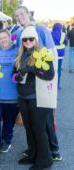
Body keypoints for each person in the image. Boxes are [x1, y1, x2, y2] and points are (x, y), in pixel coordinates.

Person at [14, 6, 62, 161]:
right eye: (16, 16)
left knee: (46, 121)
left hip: (42, 86)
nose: (19, 17)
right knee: (34, 125)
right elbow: (18, 55)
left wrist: (51, 85)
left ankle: (53, 150)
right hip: (26, 89)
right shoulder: (19, 32)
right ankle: (34, 151)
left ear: (28, 14)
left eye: (21, 14)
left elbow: (51, 55)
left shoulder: (40, 30)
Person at [13, 26, 55, 170]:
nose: (28, 41)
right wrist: (17, 76)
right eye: (25, 39)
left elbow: (50, 75)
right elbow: (15, 75)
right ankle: (32, 154)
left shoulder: (43, 53)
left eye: (31, 38)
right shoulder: (20, 54)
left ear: (36, 39)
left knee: (39, 129)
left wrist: (32, 69)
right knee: (29, 128)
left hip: (38, 97)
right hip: (23, 96)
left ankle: (45, 160)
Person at [51, 22, 68, 89]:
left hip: (52, 54)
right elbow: (66, 42)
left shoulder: (51, 34)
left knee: (52, 68)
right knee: (58, 69)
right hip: (60, 54)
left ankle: (52, 84)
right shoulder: (63, 34)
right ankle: (57, 85)